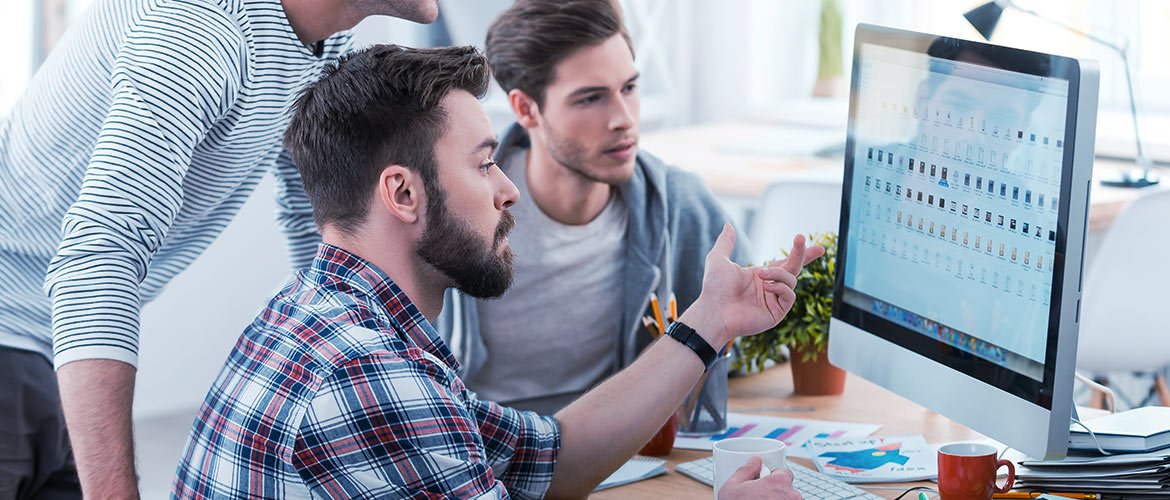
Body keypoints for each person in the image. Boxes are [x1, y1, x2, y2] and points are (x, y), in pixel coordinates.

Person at [173, 44, 817, 499]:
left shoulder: (311, 315)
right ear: (403, 193)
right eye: (484, 164)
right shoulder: (369, 374)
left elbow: (552, 458)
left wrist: (709, 321)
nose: (508, 190)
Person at [0, 0, 439, 497]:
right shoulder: (197, 32)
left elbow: (318, 217)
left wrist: (389, 375)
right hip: (17, 332)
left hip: (62, 352)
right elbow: (98, 260)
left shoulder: (325, 39)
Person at [436, 0, 753, 414]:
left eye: (629, 88)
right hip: (484, 442)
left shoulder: (680, 205)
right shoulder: (460, 208)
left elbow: (755, 348)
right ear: (526, 108)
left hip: (621, 445)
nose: (623, 119)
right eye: (590, 99)